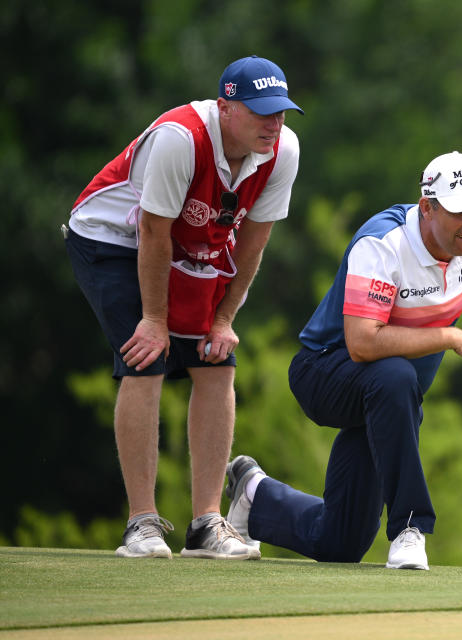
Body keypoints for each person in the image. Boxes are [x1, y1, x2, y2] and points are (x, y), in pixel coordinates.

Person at [224, 151, 462, 569]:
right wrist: (452, 336)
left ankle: (255, 498)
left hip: (385, 400)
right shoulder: (383, 244)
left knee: (340, 544)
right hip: (325, 372)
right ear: (427, 207)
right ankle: (409, 527)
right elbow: (363, 343)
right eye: (460, 212)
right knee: (396, 375)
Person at [64, 55, 303, 560]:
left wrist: (223, 319)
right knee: (146, 357)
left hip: (189, 243)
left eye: (279, 111)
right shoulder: (181, 137)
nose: (273, 122)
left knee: (217, 362)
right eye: (261, 111)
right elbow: (151, 233)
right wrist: (154, 321)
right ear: (226, 108)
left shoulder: (283, 152)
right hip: (114, 237)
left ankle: (206, 525)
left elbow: (253, 243)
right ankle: (142, 524)